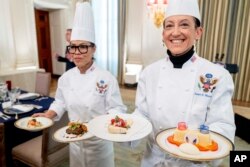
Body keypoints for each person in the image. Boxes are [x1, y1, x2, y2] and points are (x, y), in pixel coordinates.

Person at [131, 0, 235, 166]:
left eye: (184, 25)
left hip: (192, 160)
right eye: (169, 26)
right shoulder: (149, 73)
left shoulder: (217, 75)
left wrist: (202, 150)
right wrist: (128, 130)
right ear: (163, 33)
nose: (175, 32)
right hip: (153, 159)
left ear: (198, 32)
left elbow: (222, 124)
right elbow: (142, 113)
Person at [33, 2, 126, 167]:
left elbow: (116, 109)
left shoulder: (107, 78)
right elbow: (60, 102)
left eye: (82, 47)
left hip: (99, 144)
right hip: (74, 141)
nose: (76, 53)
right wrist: (48, 115)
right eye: (73, 47)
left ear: (93, 49)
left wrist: (110, 122)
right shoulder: (66, 78)